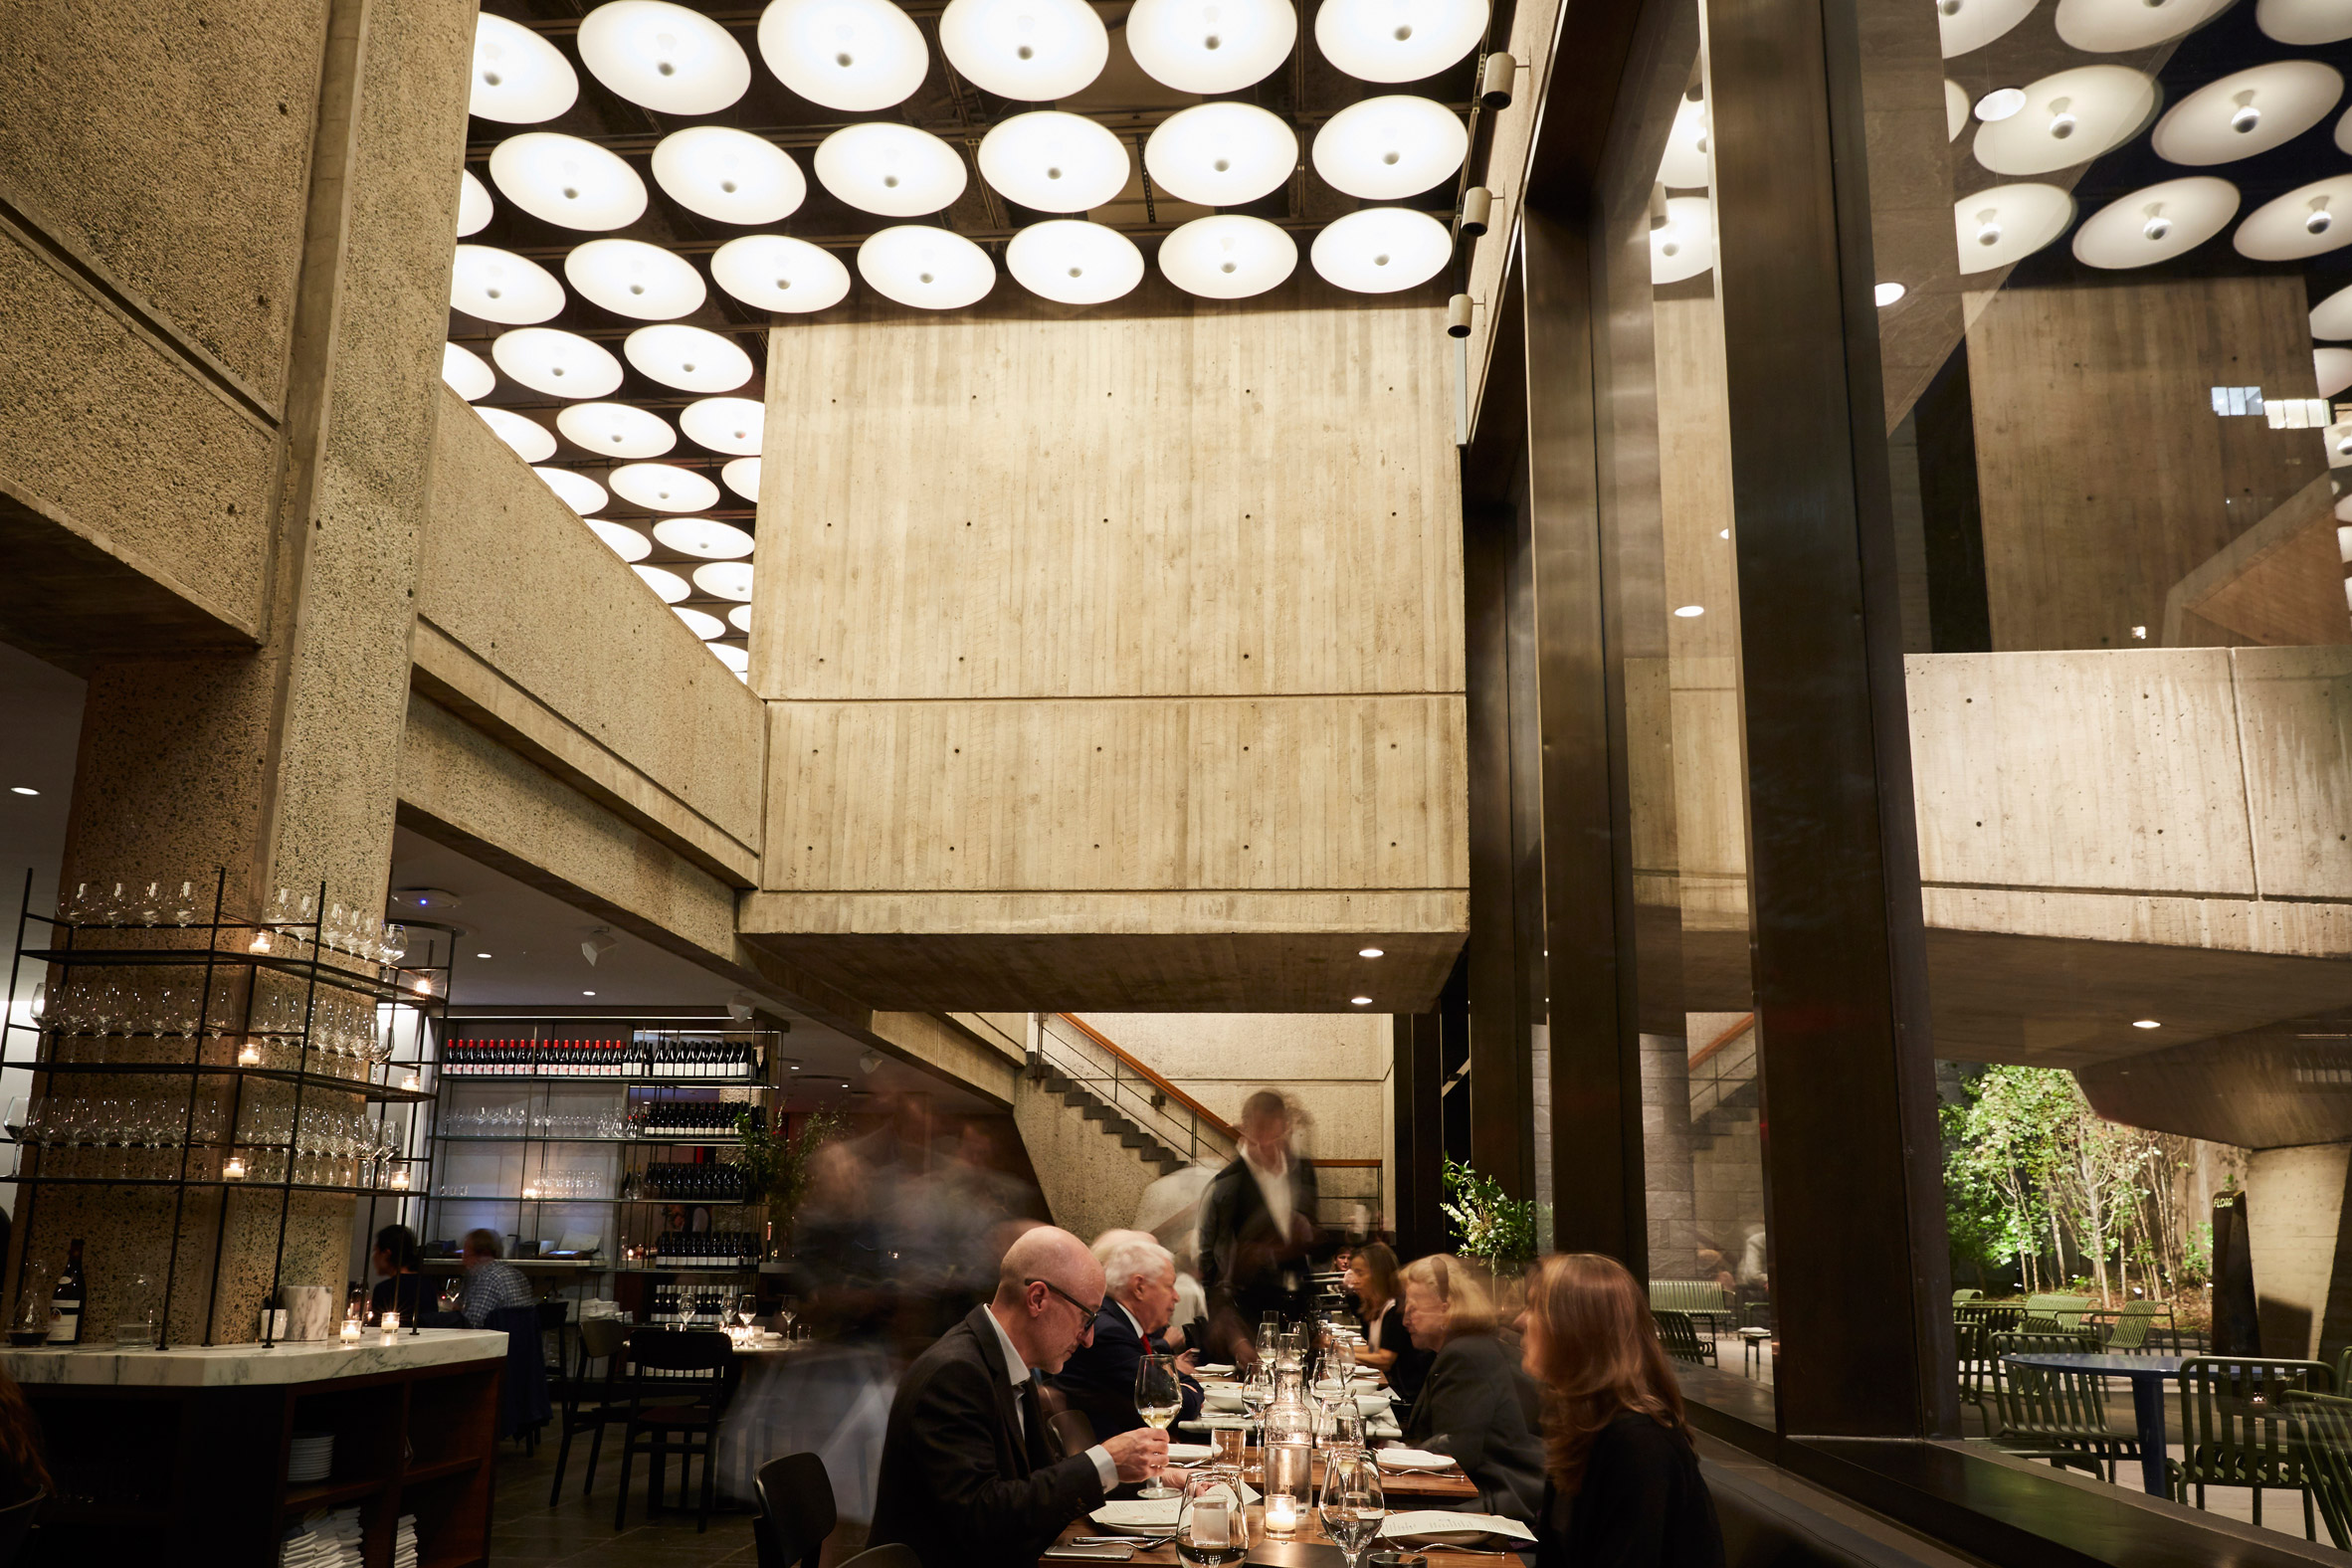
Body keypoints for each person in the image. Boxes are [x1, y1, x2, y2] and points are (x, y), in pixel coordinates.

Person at [870, 1226, 1168, 1568]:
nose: (1088, 1339)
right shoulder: (954, 1375)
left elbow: (1040, 1483)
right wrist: (1105, 1461)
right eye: (1087, 1317)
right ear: (1038, 1298)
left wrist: (1146, 1478)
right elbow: (983, 1516)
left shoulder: (1006, 1363)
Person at [1520, 1254, 1724, 1568]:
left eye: (1535, 1308)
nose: (1521, 1321)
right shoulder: (1582, 1425)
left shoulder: (1640, 1447)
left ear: (1576, 1330)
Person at [1397, 1254, 1545, 1521]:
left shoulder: (1464, 1354)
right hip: (1480, 1494)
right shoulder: (1468, 1347)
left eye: (1413, 1308)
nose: (1406, 1320)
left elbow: (1455, 1454)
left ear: (1445, 1307)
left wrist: (1391, 1457)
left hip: (1490, 1503)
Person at [1197, 1090, 1319, 1359]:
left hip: (1296, 1320)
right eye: (1260, 1133)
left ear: (1285, 1128)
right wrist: (1234, 1337)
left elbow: (1310, 1248)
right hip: (1245, 1324)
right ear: (1246, 1128)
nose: (1268, 1144)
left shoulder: (1304, 1172)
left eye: (1275, 1135)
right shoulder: (1227, 1186)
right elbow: (1210, 1265)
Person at [1050, 1232, 1206, 1442]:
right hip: (1109, 1462)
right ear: (1139, 1287)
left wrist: (1175, 1380)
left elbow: (1171, 1385)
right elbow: (1178, 1405)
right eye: (1169, 1286)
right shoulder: (1109, 1333)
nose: (1176, 1296)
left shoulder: (1120, 1323)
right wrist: (1183, 1384)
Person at [1344, 1242, 1433, 1404]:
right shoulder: (1379, 1306)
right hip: (1392, 1390)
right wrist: (1339, 1348)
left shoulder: (1397, 1308)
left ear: (1379, 1274)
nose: (1353, 1280)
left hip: (1405, 1397)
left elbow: (1385, 1359)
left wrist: (1343, 1353)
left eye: (1360, 1273)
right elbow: (1373, 1348)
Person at [447, 1229, 533, 1327]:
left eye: (466, 1255)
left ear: (483, 1254)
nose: (463, 1261)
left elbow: (473, 1324)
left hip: (496, 1340)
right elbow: (458, 1304)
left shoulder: (486, 1278)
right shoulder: (518, 1274)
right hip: (521, 1340)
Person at [369, 1224, 427, 1321]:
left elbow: (378, 1328)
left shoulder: (385, 1289)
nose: (373, 1257)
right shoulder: (427, 1285)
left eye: (375, 1251)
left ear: (386, 1254)